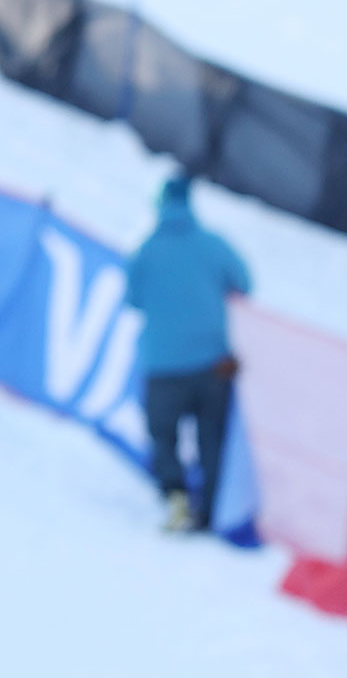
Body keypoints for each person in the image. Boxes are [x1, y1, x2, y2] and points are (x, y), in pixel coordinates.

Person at [125, 174, 252, 533]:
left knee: (163, 436)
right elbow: (244, 283)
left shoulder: (145, 251)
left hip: (163, 364)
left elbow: (133, 299)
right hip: (213, 363)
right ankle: (210, 509)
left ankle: (176, 496)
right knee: (211, 439)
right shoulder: (213, 245)